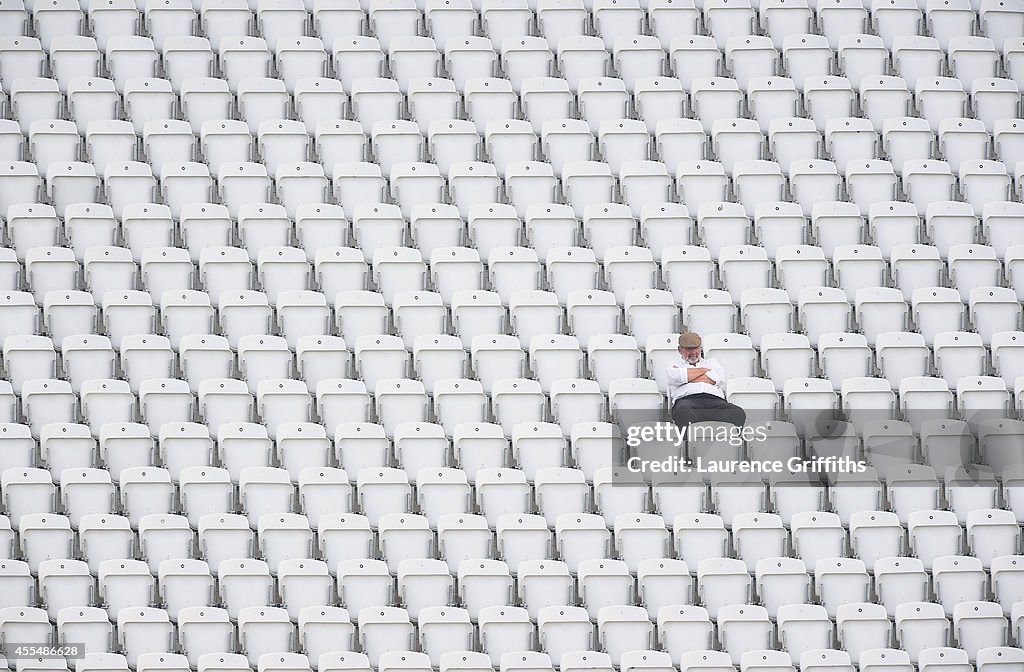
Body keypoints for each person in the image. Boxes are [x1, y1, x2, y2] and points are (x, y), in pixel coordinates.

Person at [666, 331, 746, 430]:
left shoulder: (712, 362)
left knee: (737, 412)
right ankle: (688, 444)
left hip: (714, 401)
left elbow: (717, 379)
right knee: (683, 411)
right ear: (680, 350)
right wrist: (704, 371)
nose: (693, 353)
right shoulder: (673, 364)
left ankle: (728, 443)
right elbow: (674, 377)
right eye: (689, 349)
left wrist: (687, 377)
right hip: (687, 401)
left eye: (696, 348)